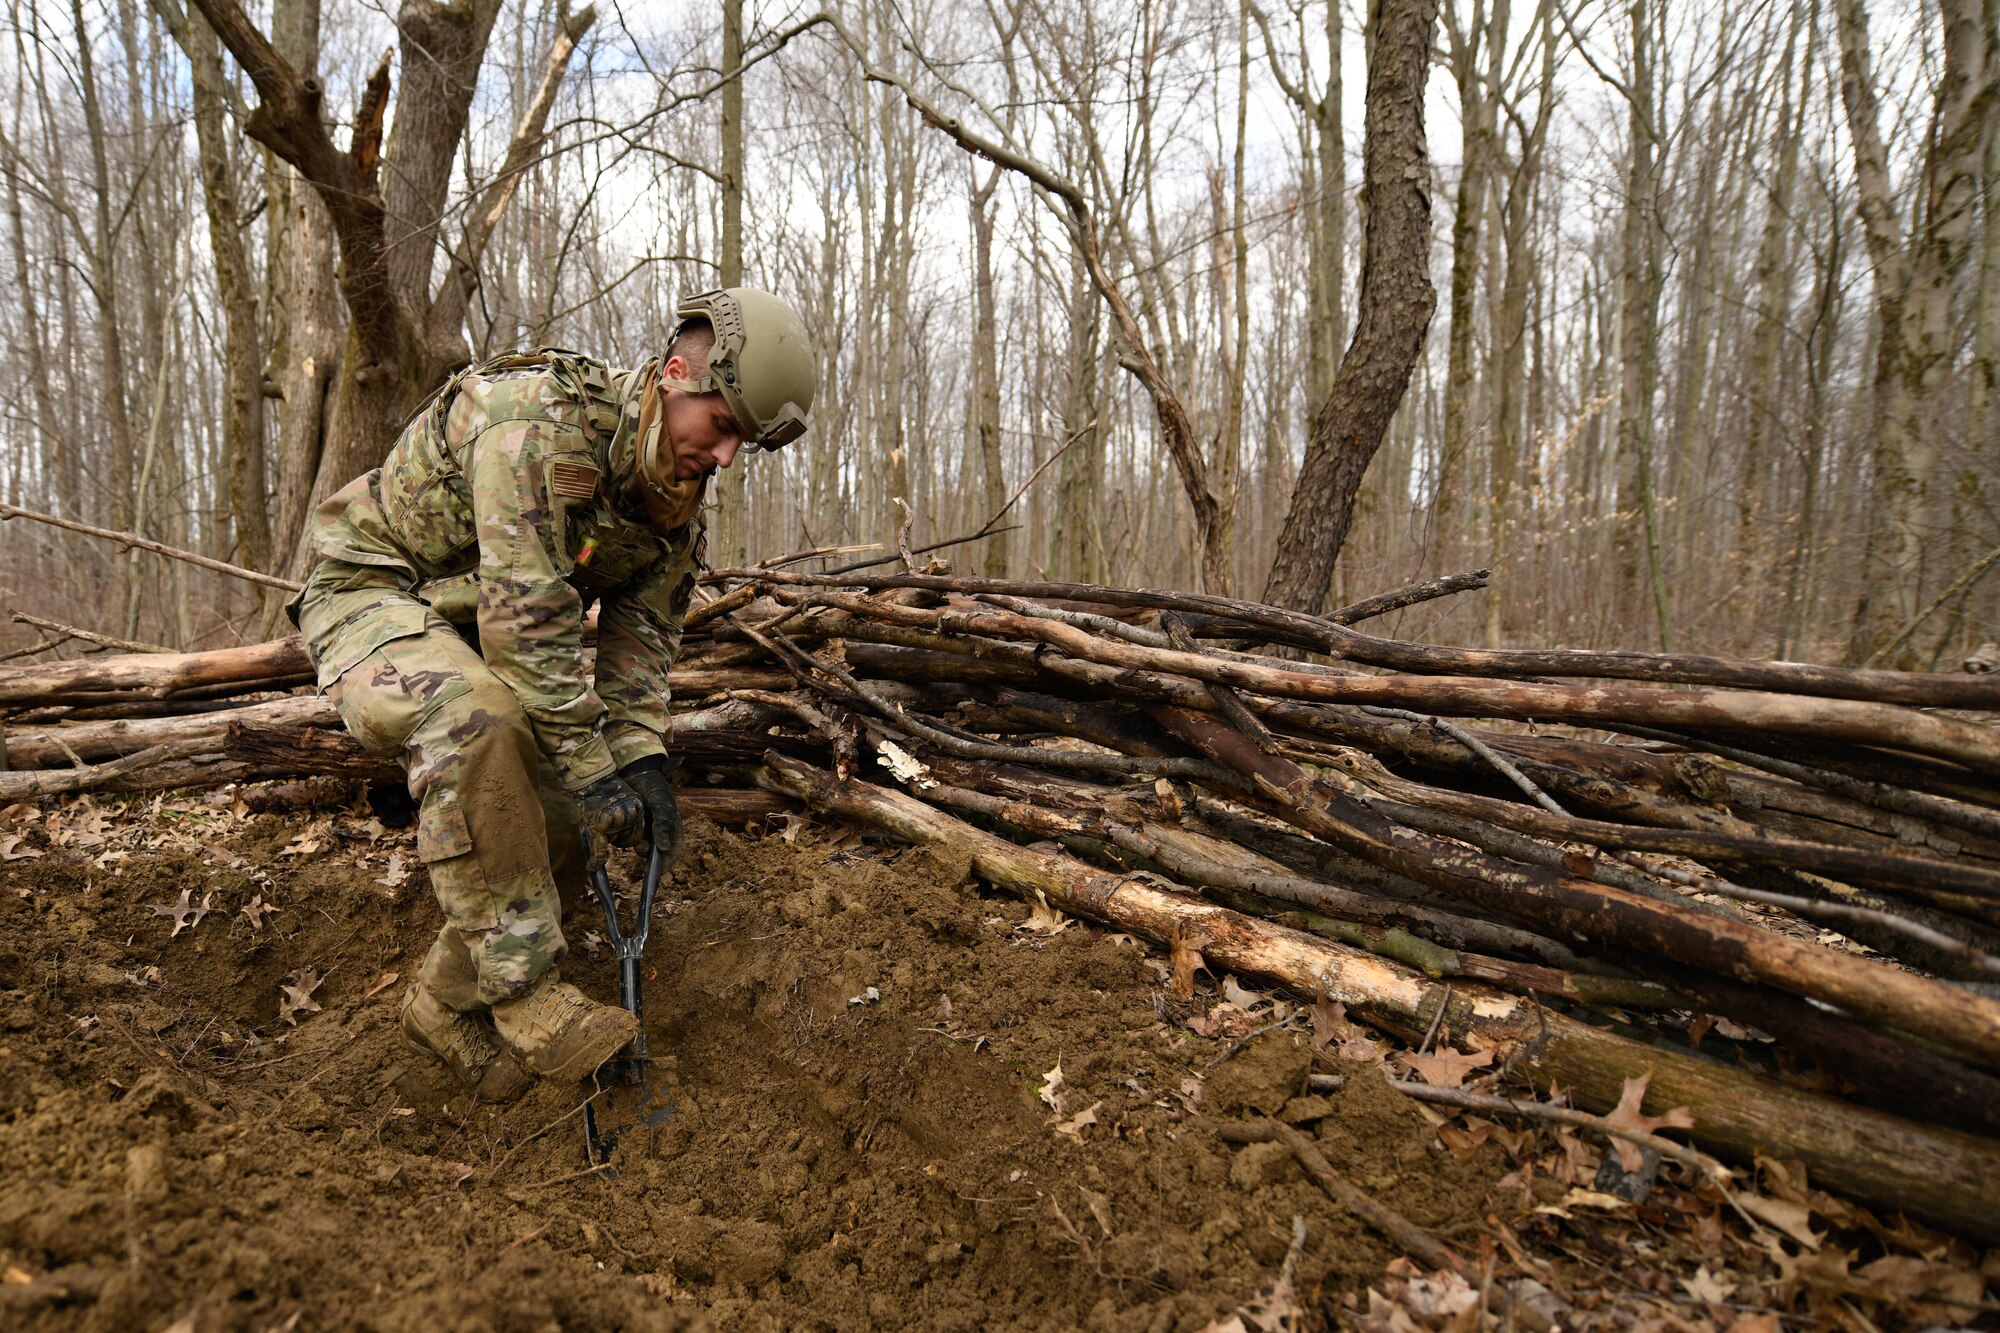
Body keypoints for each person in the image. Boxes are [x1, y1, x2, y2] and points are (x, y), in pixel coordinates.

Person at [289, 288, 816, 1101]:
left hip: (468, 623)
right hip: (370, 590)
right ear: (675, 376)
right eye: (722, 430)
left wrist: (640, 764)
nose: (725, 460)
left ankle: (445, 1005)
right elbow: (527, 629)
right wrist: (591, 761)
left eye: (744, 444)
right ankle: (528, 997)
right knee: (483, 721)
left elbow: (640, 657)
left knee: (575, 796)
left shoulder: (673, 510)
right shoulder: (532, 425)